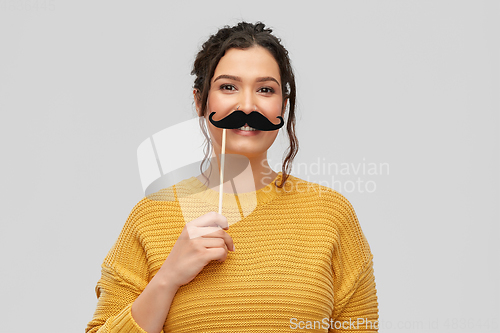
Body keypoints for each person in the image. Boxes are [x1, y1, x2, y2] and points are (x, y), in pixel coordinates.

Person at [86, 21, 379, 333]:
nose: (248, 105)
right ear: (200, 101)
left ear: (283, 105)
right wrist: (168, 278)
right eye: (228, 87)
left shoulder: (331, 216)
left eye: (265, 89)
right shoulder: (150, 217)